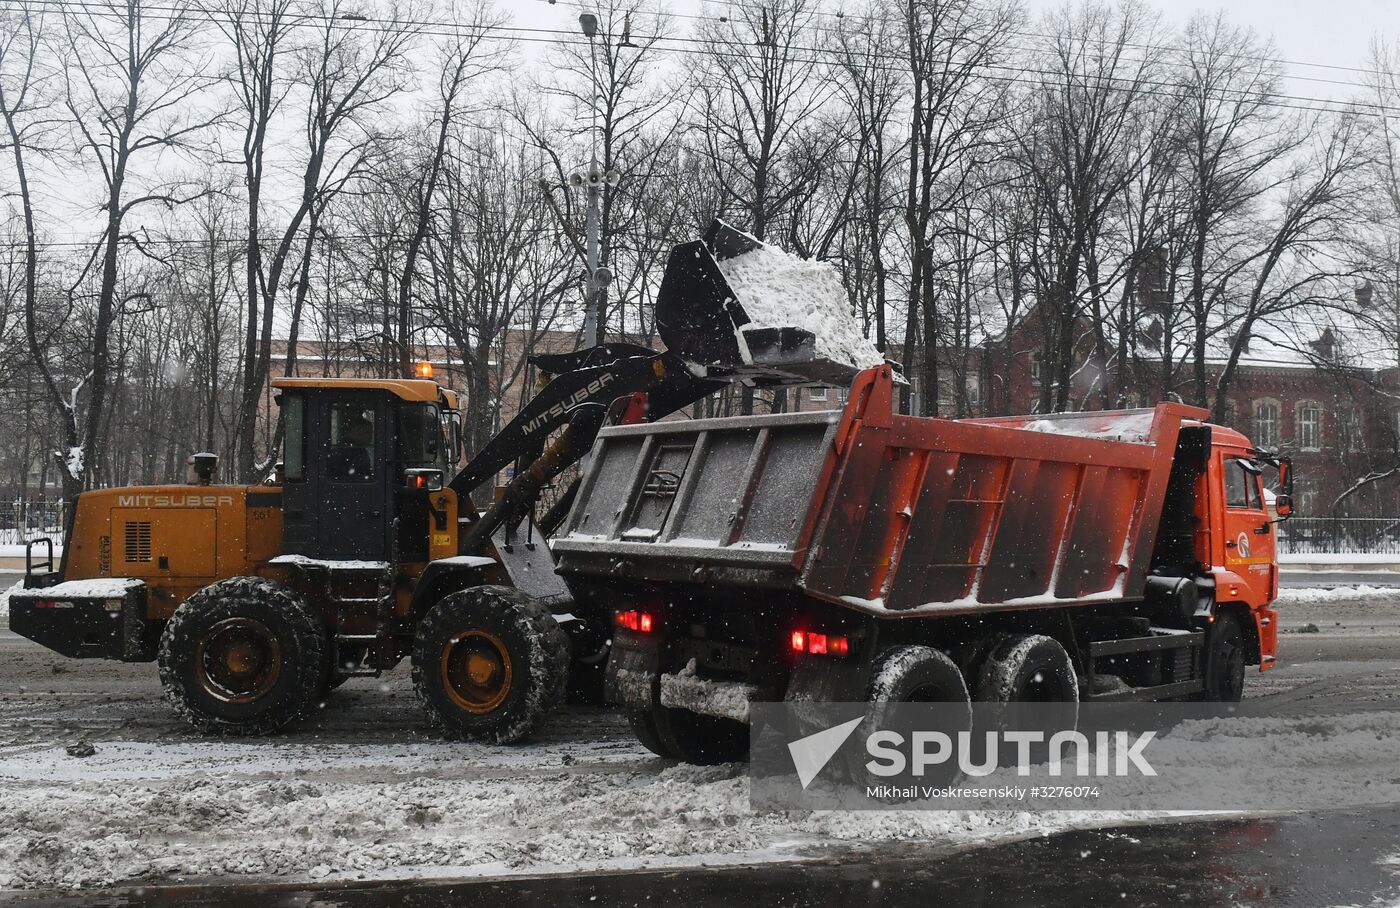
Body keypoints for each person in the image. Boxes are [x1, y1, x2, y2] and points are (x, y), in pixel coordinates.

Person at [327, 411, 375, 480]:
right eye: (367, 432)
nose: (370, 436)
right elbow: (353, 479)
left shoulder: (357, 449)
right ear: (357, 431)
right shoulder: (348, 451)